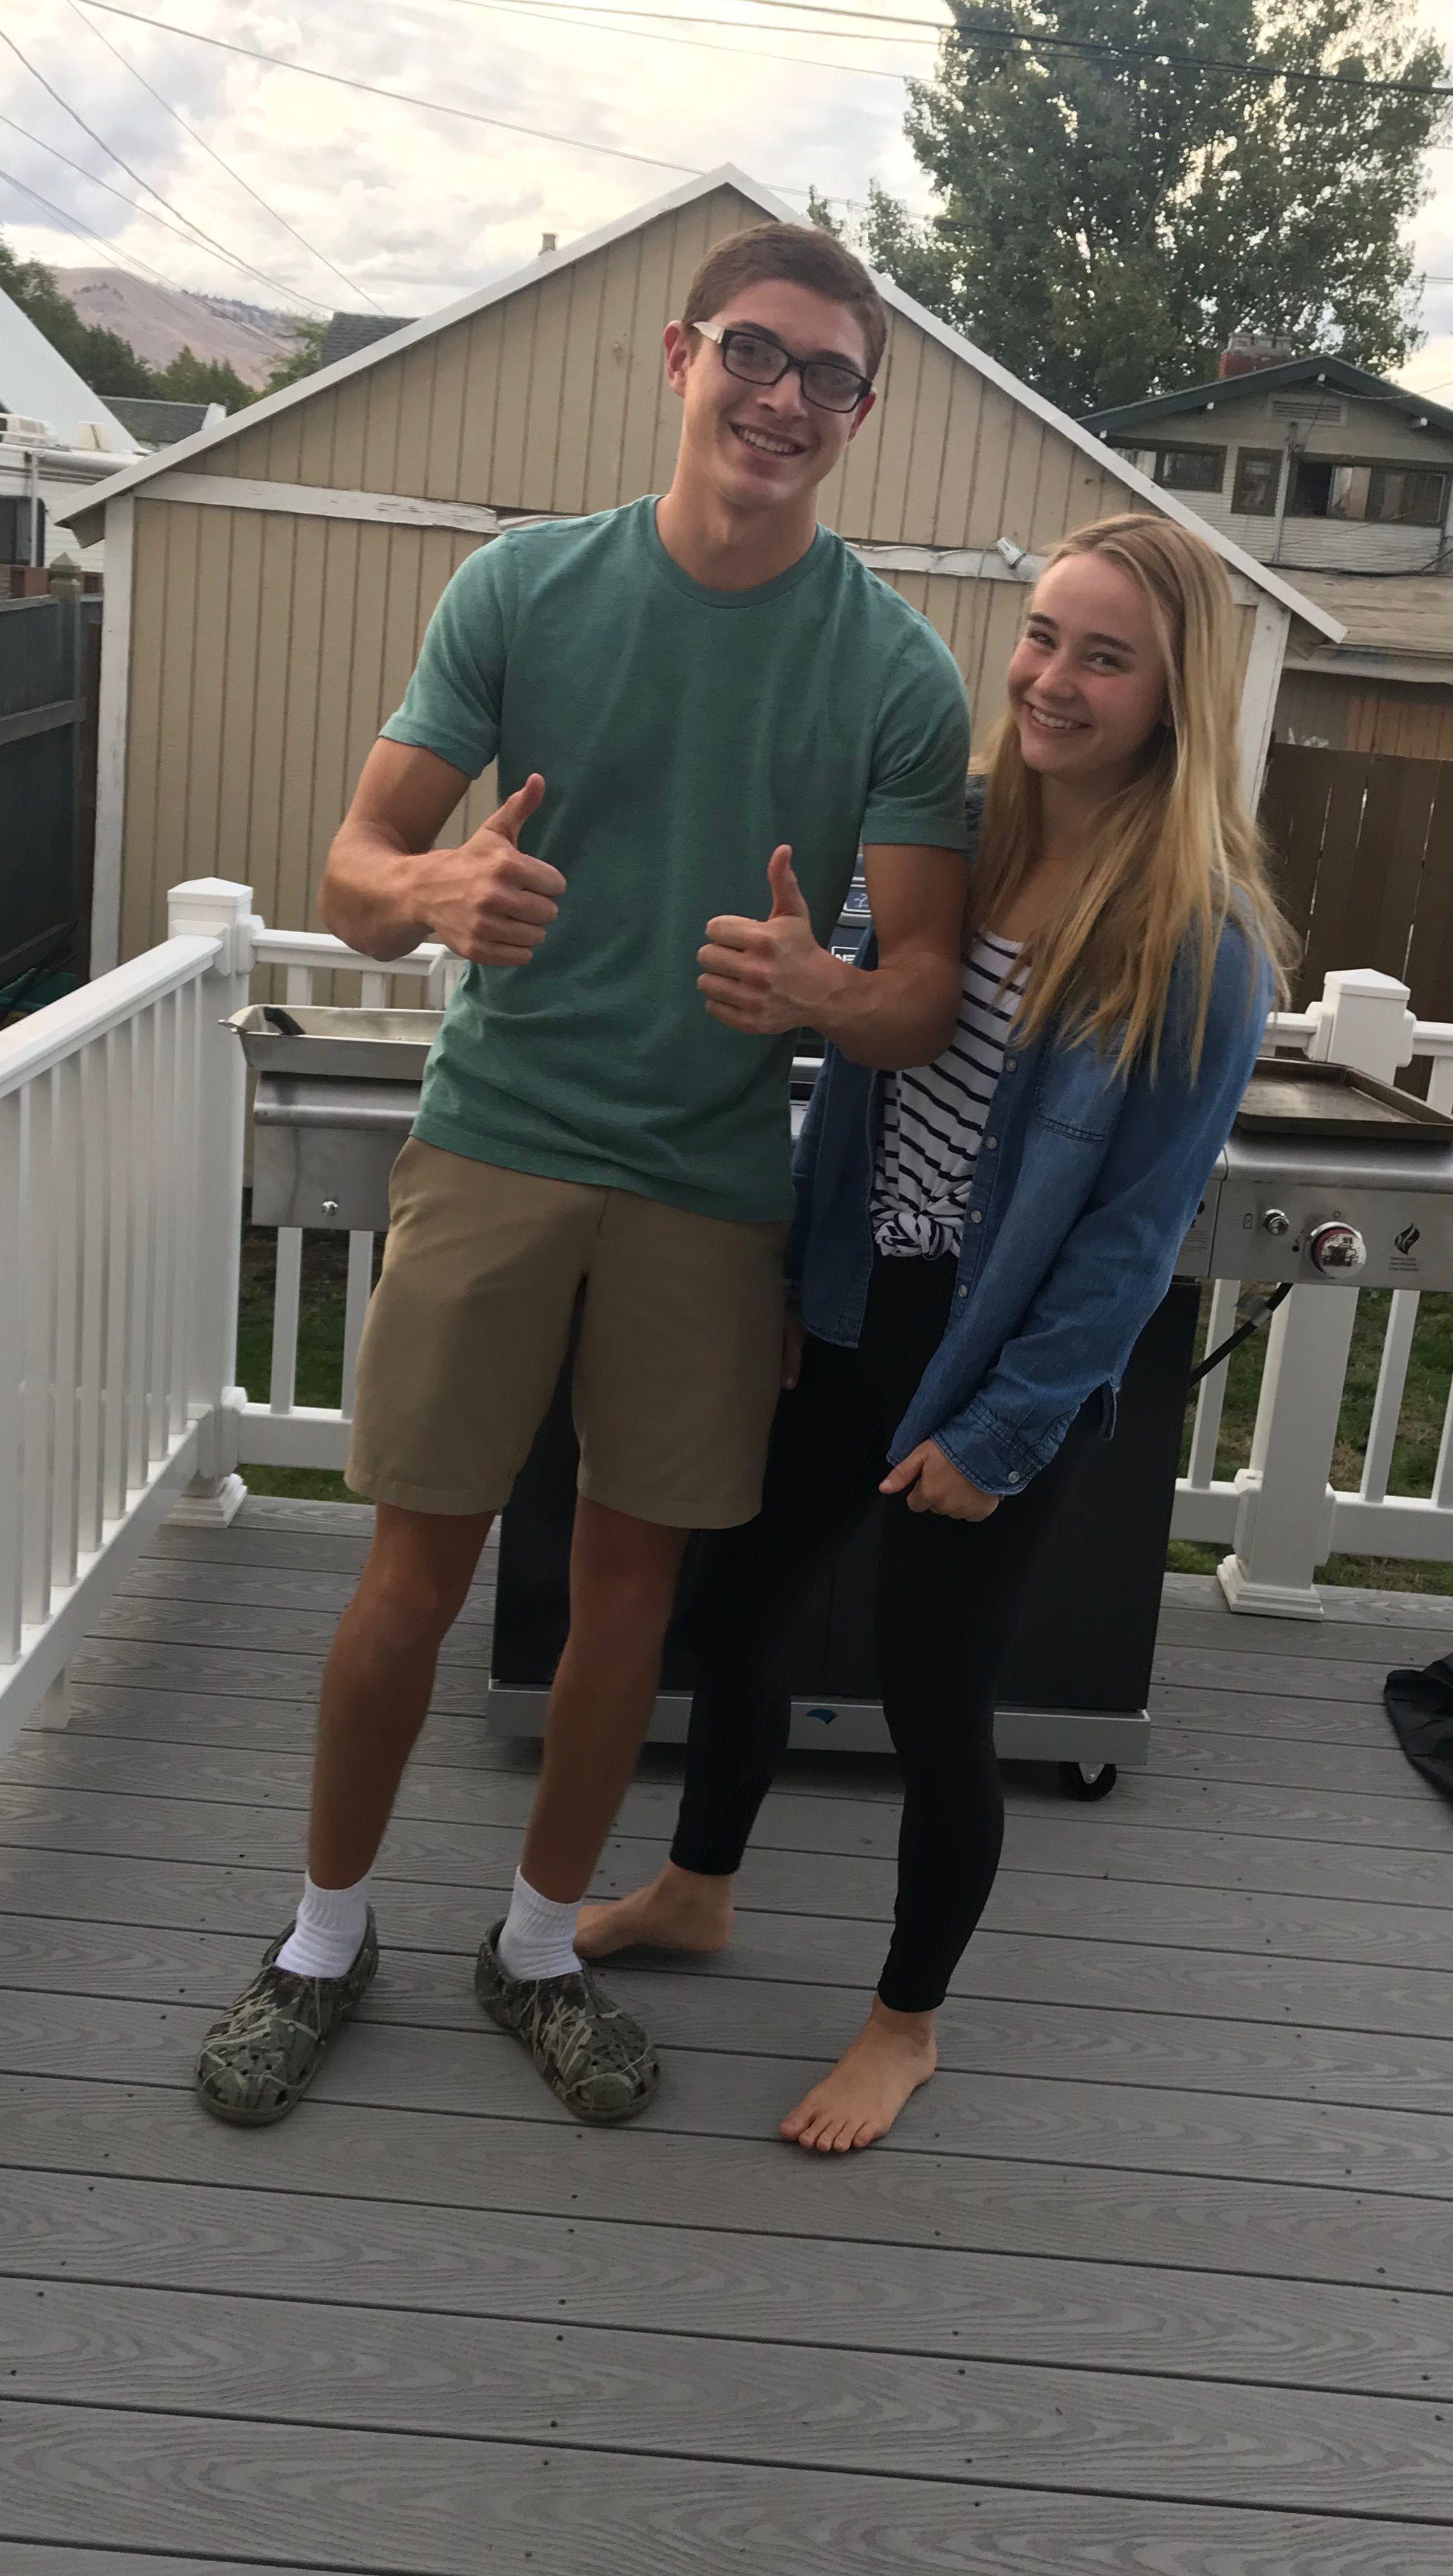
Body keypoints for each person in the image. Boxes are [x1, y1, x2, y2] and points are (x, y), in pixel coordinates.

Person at [196, 223, 976, 2132]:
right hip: (495, 1140)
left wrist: (827, 993)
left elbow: (926, 990)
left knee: (626, 1597)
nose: (787, 398)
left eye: (832, 377)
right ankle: (321, 1938)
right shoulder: (522, 593)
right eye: (758, 356)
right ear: (677, 358)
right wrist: (438, 890)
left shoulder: (895, 671)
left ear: (861, 416)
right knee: (412, 1574)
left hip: (713, 1190)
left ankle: (538, 1949)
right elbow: (356, 874)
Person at [579, 511, 1293, 2153]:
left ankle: (906, 2026)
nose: (1052, 678)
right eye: (1044, 635)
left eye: (1105, 656)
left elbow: (1133, 1235)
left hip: (1002, 1359)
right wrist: (794, 1286)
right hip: (856, 1308)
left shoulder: (1198, 941)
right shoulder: (951, 836)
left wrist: (1003, 1432)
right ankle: (698, 1890)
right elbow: (855, 1095)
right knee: (738, 1612)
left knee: (932, 1699)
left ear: (1175, 696)